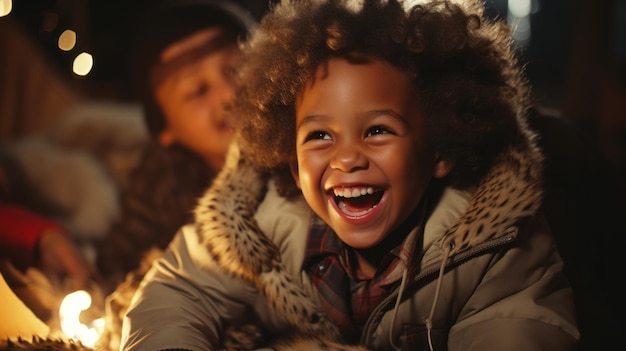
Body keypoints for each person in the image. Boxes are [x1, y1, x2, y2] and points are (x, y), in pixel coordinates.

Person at [121, 0, 579, 350]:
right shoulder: (259, 221)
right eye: (319, 136)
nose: (346, 159)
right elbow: (177, 290)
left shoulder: (496, 253)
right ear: (288, 158)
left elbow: (521, 328)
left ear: (440, 148)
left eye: (377, 130)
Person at [95, 0, 257, 292]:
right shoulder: (163, 183)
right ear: (165, 129)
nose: (228, 94)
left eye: (235, 70)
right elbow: (119, 263)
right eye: (198, 90)